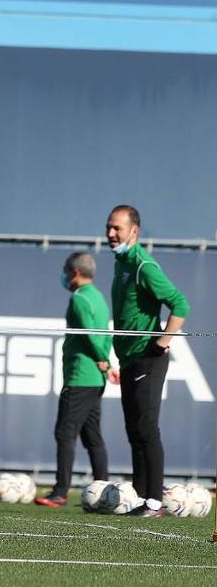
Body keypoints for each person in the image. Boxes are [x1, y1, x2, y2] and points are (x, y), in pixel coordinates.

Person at [105, 205, 189, 517]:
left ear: (134, 232)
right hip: (128, 359)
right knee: (133, 429)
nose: (111, 234)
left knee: (146, 428)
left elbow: (180, 304)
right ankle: (141, 498)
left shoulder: (143, 265)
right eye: (109, 228)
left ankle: (154, 501)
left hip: (147, 359)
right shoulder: (121, 263)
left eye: (118, 228)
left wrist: (162, 341)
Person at [37, 252, 111, 507]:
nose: (64, 276)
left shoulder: (79, 299)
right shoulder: (99, 297)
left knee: (64, 433)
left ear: (75, 273)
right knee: (92, 436)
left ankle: (60, 491)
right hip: (95, 378)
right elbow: (107, 333)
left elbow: (91, 334)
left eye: (66, 271)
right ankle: (105, 488)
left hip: (81, 376)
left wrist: (102, 359)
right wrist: (106, 363)